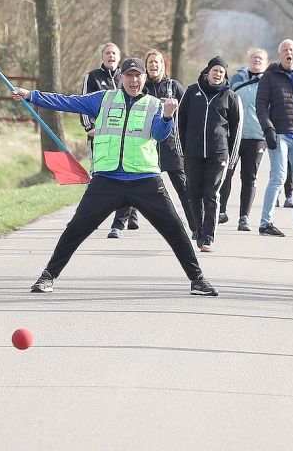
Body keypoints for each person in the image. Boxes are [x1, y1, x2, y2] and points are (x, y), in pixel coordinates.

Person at [16, 57, 218, 296]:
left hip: (145, 180)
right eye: (129, 75)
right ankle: (47, 276)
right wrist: (32, 95)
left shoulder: (156, 105)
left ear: (144, 78)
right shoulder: (104, 99)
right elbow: (69, 102)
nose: (133, 80)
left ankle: (197, 280)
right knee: (76, 228)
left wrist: (167, 116)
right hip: (108, 179)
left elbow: (161, 135)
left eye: (138, 76)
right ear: (121, 77)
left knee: (175, 229)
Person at [177, 56, 242, 252]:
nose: (217, 74)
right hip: (193, 153)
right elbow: (179, 122)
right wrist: (181, 150)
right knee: (194, 194)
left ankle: (208, 237)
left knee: (211, 194)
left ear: (224, 75)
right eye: (215, 70)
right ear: (208, 72)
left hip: (218, 154)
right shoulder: (191, 92)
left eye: (221, 72)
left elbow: (237, 128)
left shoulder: (230, 97)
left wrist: (233, 156)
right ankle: (198, 229)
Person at [82, 43, 140, 238]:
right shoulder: (92, 77)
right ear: (102, 56)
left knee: (125, 177)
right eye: (107, 53)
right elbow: (83, 103)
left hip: (124, 142)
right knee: (98, 179)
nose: (111, 56)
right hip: (99, 140)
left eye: (114, 53)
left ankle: (120, 223)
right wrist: (89, 128)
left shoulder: (126, 78)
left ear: (119, 56)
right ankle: (89, 217)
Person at [256, 39, 293, 238]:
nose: (289, 53)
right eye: (285, 50)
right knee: (278, 178)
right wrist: (268, 129)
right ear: (280, 55)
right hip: (279, 133)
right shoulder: (270, 76)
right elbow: (261, 105)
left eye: (292, 50)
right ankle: (265, 222)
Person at [142, 48, 196, 234]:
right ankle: (120, 223)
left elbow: (189, 112)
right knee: (131, 185)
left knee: (184, 190)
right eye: (150, 63)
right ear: (145, 67)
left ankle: (196, 227)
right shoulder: (140, 88)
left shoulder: (173, 86)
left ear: (163, 66)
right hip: (145, 147)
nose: (153, 66)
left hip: (171, 147)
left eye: (157, 62)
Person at [219, 47, 268, 232]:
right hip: (234, 134)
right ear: (248, 60)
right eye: (254, 57)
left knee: (249, 177)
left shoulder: (268, 82)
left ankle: (243, 217)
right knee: (226, 173)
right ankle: (221, 211)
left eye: (260, 58)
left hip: (256, 137)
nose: (256, 60)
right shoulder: (237, 78)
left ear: (266, 62)